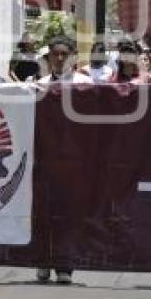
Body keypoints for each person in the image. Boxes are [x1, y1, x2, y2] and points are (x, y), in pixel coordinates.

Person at [36, 37, 92, 285]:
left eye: (63, 54)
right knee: (43, 211)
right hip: (44, 160)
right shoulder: (38, 86)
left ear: (72, 57)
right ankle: (43, 260)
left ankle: (65, 264)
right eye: (54, 55)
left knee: (69, 214)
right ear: (48, 58)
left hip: (74, 162)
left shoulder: (87, 86)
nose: (59, 59)